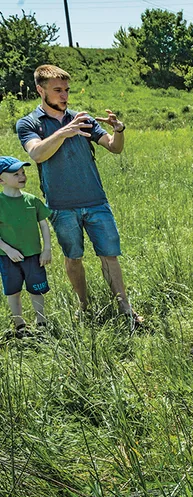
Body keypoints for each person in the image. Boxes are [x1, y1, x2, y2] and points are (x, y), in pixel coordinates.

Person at [16, 64, 142, 329]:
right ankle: (84, 307)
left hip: (96, 201)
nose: (64, 96)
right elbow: (37, 154)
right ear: (41, 90)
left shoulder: (82, 118)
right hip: (61, 206)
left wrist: (118, 131)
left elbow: (113, 147)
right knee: (73, 258)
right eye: (58, 90)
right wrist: (64, 131)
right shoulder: (29, 123)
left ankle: (125, 310)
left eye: (67, 90)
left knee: (109, 255)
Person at [0, 156, 52, 336]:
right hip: (7, 257)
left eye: (23, 172)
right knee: (13, 291)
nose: (22, 176)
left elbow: (44, 225)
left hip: (34, 256)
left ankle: (41, 322)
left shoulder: (32, 200)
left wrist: (47, 249)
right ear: (1, 180)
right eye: (16, 174)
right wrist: (7, 249)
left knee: (36, 289)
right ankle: (19, 325)